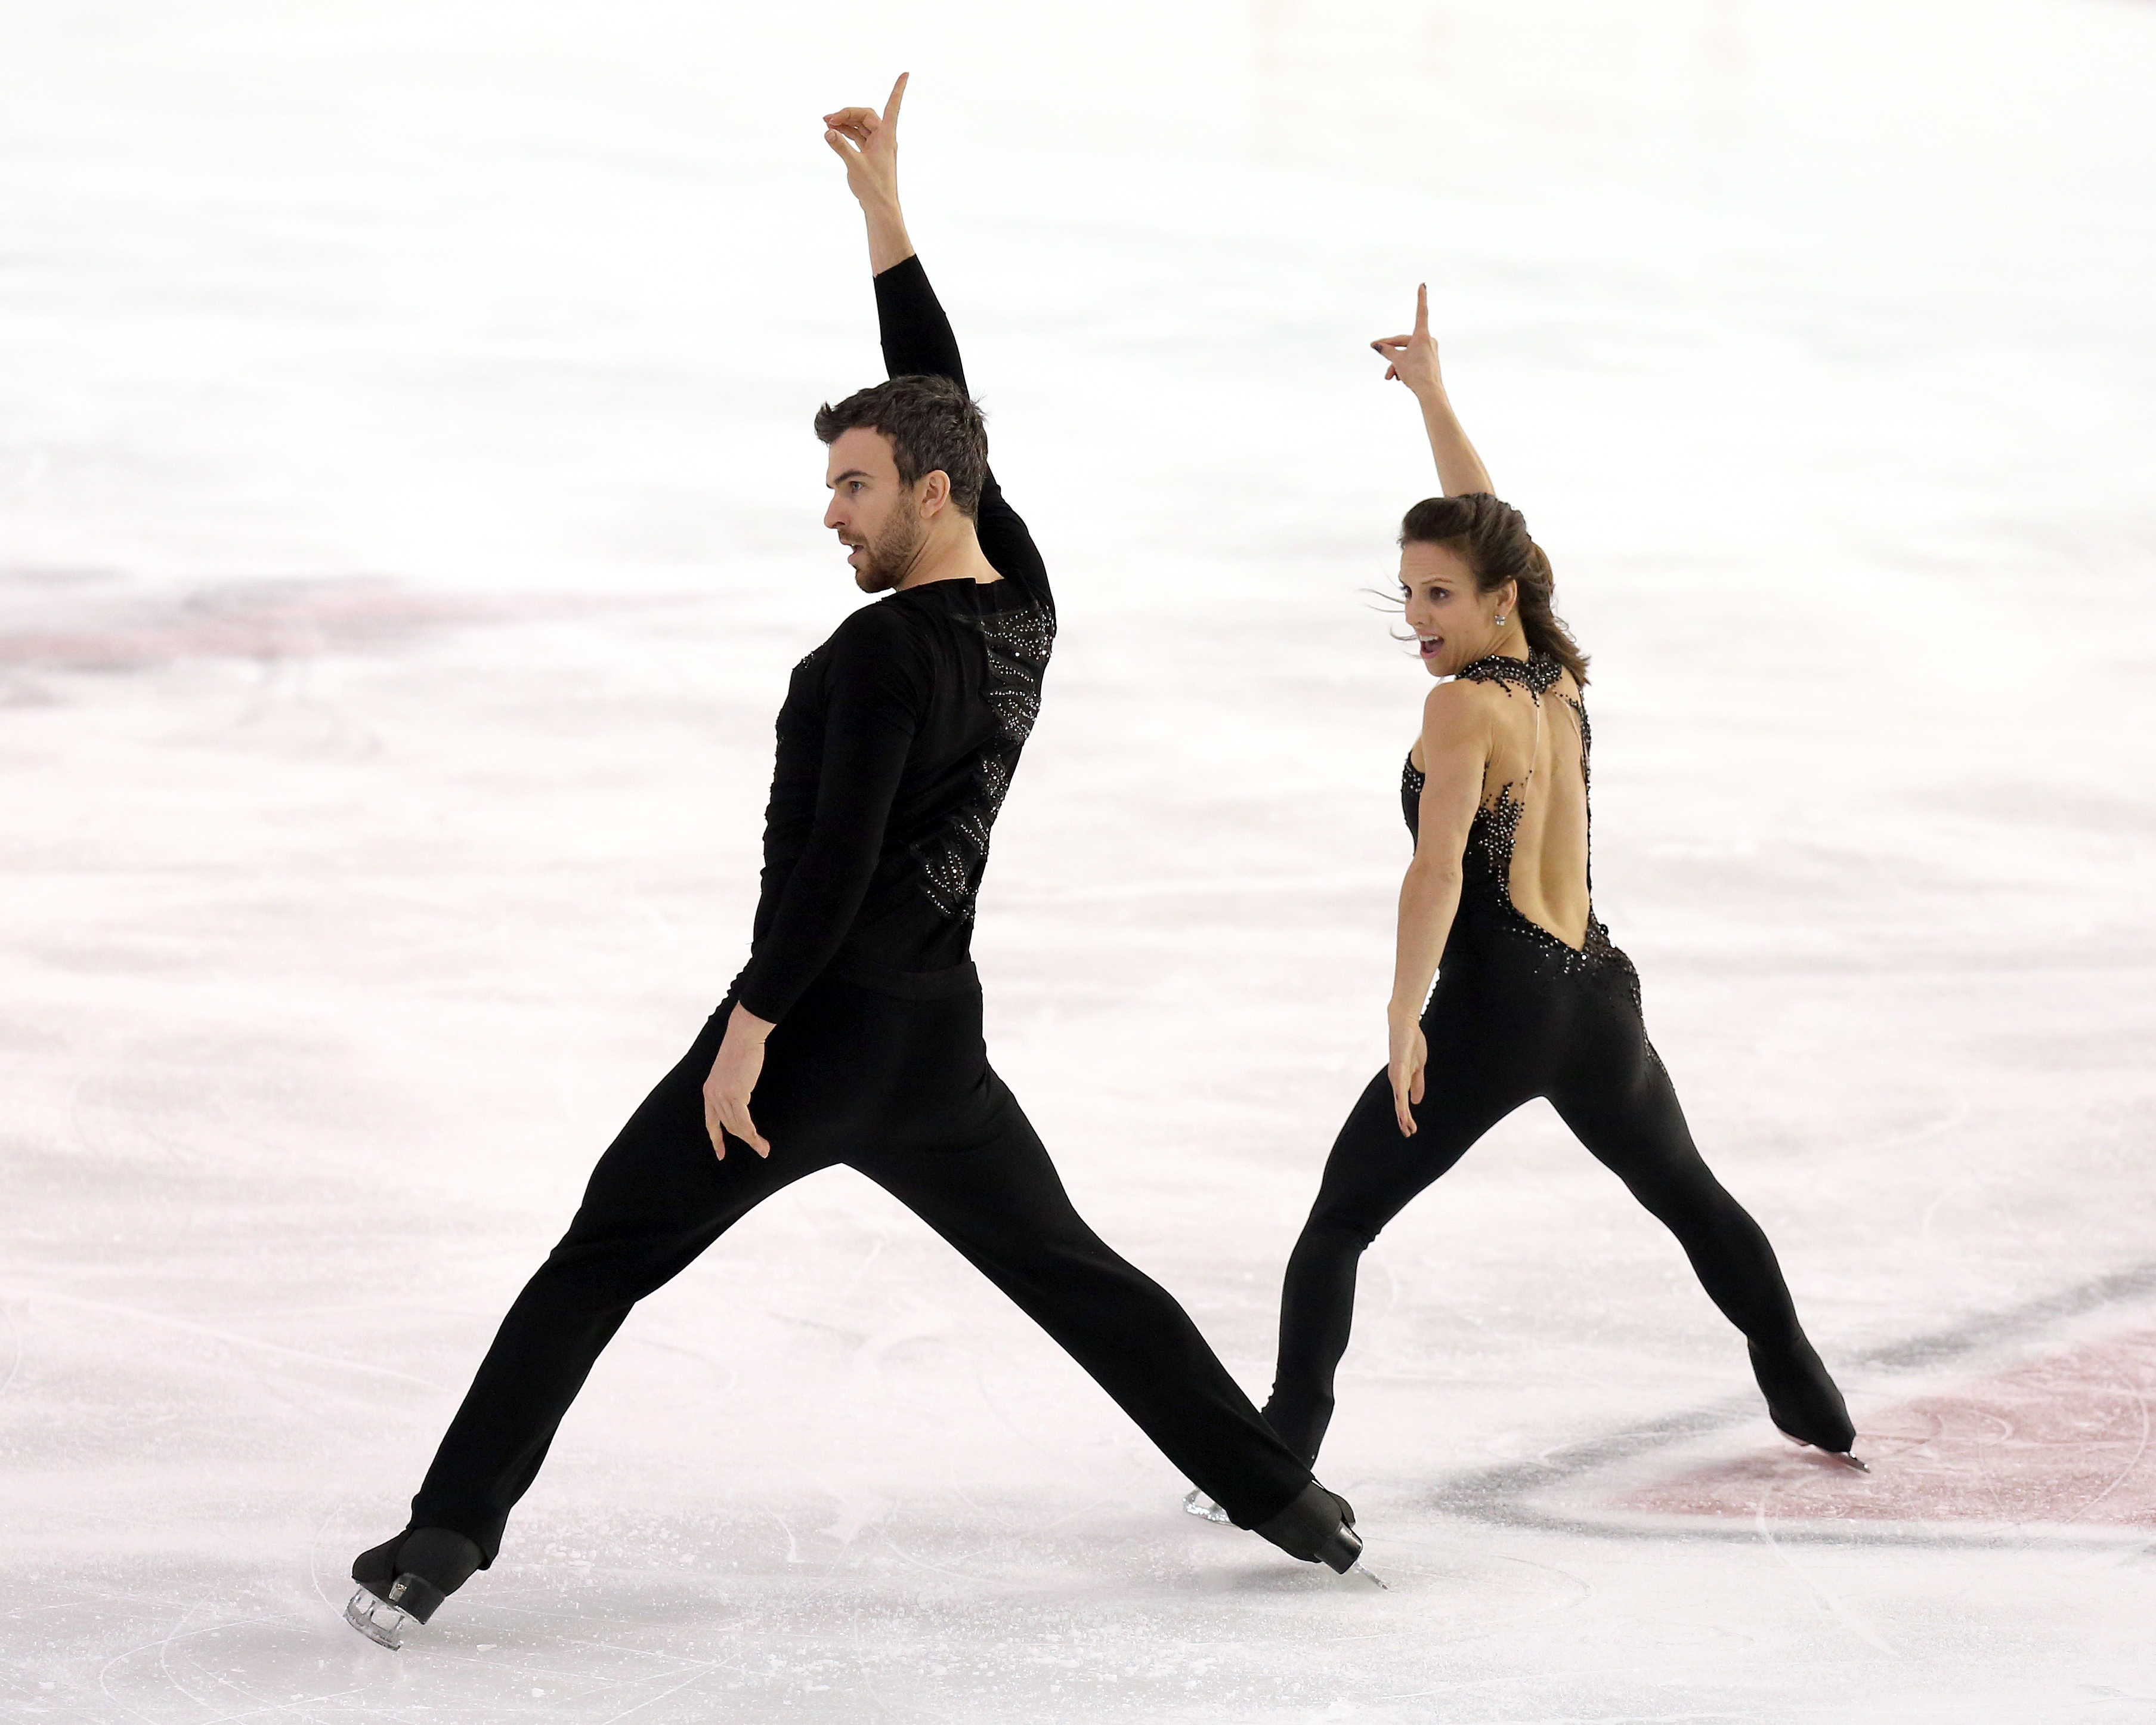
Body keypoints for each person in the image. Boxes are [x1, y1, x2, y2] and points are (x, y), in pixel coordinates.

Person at [343, 76, 1364, 1652]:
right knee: (1073, 1274)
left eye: (853, 485)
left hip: (813, 1040)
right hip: (933, 1048)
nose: (829, 512)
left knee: (596, 1263)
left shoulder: (866, 662)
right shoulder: (1021, 602)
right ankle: (1289, 1501)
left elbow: (824, 870)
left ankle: (440, 1538)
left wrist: (749, 1031)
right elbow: (939, 397)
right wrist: (884, 216)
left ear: (928, 495)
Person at [1252, 286, 1860, 1481]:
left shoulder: (1460, 707)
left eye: (1438, 594)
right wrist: (1433, 398)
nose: (1416, 616)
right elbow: (1496, 534)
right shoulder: (1553, 673)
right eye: (1408, 590)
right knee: (1687, 1194)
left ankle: (1278, 1453)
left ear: (1496, 601)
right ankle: (1803, 1385)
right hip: (1595, 997)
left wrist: (1403, 1016)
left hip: (1495, 1011)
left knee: (1339, 1223)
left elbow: (1437, 871)